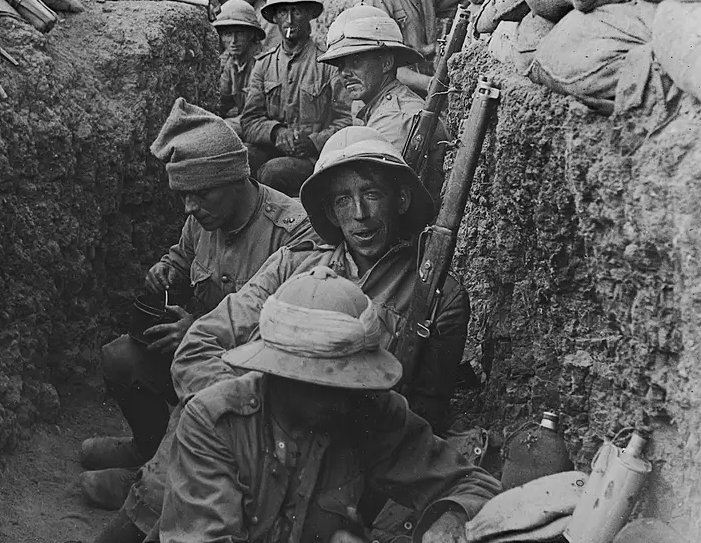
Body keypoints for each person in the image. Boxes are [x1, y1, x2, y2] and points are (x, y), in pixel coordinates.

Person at [98, 128, 470, 543]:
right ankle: (143, 469)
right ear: (329, 211)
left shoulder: (436, 293)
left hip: (341, 460)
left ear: (400, 199)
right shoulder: (293, 266)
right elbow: (199, 346)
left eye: (372, 194)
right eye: (343, 199)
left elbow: (427, 412)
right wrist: (251, 412)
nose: (360, 214)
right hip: (241, 445)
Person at [77, 98, 316, 509]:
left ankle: (161, 486)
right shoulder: (204, 216)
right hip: (196, 353)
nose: (190, 207)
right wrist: (167, 268)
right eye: (184, 196)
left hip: (254, 379)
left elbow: (287, 338)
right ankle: (148, 451)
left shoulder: (291, 232)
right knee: (119, 358)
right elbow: (184, 253)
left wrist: (198, 330)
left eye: (201, 194)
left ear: (236, 179)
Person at [159, 267, 500, 543]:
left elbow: (470, 484)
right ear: (279, 375)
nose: (345, 397)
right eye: (327, 384)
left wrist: (454, 517)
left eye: (353, 380)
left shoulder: (369, 410)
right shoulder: (215, 423)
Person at [318, 5, 451, 199]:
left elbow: (374, 199)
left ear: (386, 63)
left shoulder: (394, 119)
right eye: (341, 65)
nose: (345, 73)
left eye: (356, 61)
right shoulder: (380, 108)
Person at [238, 0, 352, 197]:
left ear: (309, 14)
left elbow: (348, 119)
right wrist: (276, 133)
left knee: (272, 173)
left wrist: (313, 142)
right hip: (272, 149)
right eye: (282, 12)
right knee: (239, 159)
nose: (289, 20)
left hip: (314, 158)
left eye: (297, 12)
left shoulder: (328, 64)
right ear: (275, 18)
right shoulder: (264, 65)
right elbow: (249, 120)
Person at [210, 0, 266, 123]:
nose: (233, 41)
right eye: (228, 34)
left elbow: (252, 116)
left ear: (251, 34)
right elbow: (222, 102)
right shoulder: (232, 63)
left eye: (239, 34)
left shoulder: (262, 63)